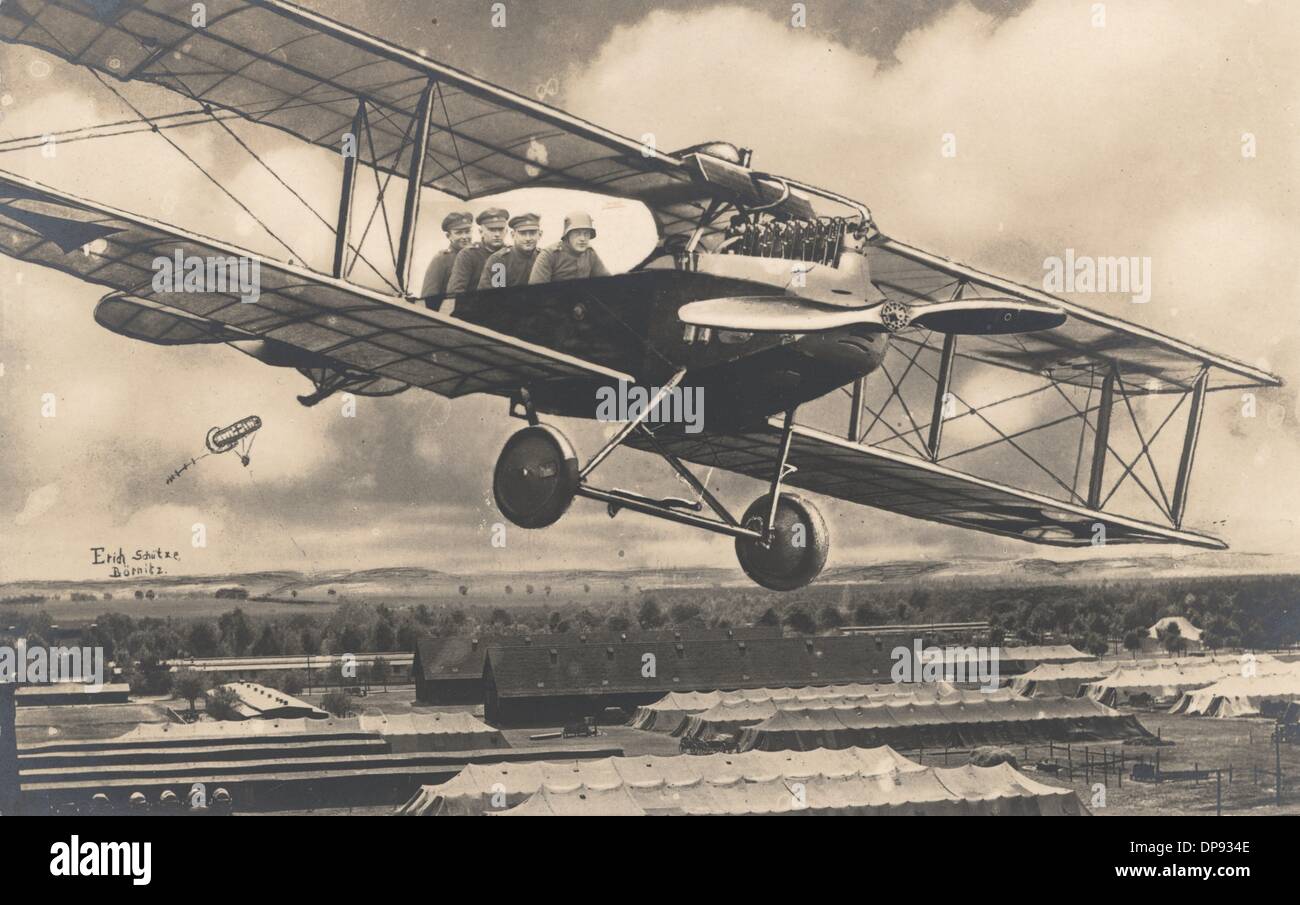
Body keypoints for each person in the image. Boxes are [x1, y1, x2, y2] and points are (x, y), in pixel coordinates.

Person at [529, 211, 610, 284]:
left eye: (586, 233)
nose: (582, 238)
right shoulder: (549, 255)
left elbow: (608, 282)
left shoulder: (590, 254)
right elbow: (536, 291)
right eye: (577, 233)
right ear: (567, 235)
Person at [446, 207, 510, 294]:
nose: (497, 234)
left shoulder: (511, 254)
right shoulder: (468, 255)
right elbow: (455, 291)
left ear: (506, 231)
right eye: (492, 230)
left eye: (500, 229)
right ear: (481, 232)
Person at [477, 213, 543, 289]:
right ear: (513, 235)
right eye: (522, 233)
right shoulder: (500, 260)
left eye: (532, 233)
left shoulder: (544, 257)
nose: (528, 238)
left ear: (540, 235)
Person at [420, 211, 473, 298]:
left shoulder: (477, 256)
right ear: (449, 236)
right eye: (459, 233)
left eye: (467, 232)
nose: (464, 237)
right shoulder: (441, 259)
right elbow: (428, 296)